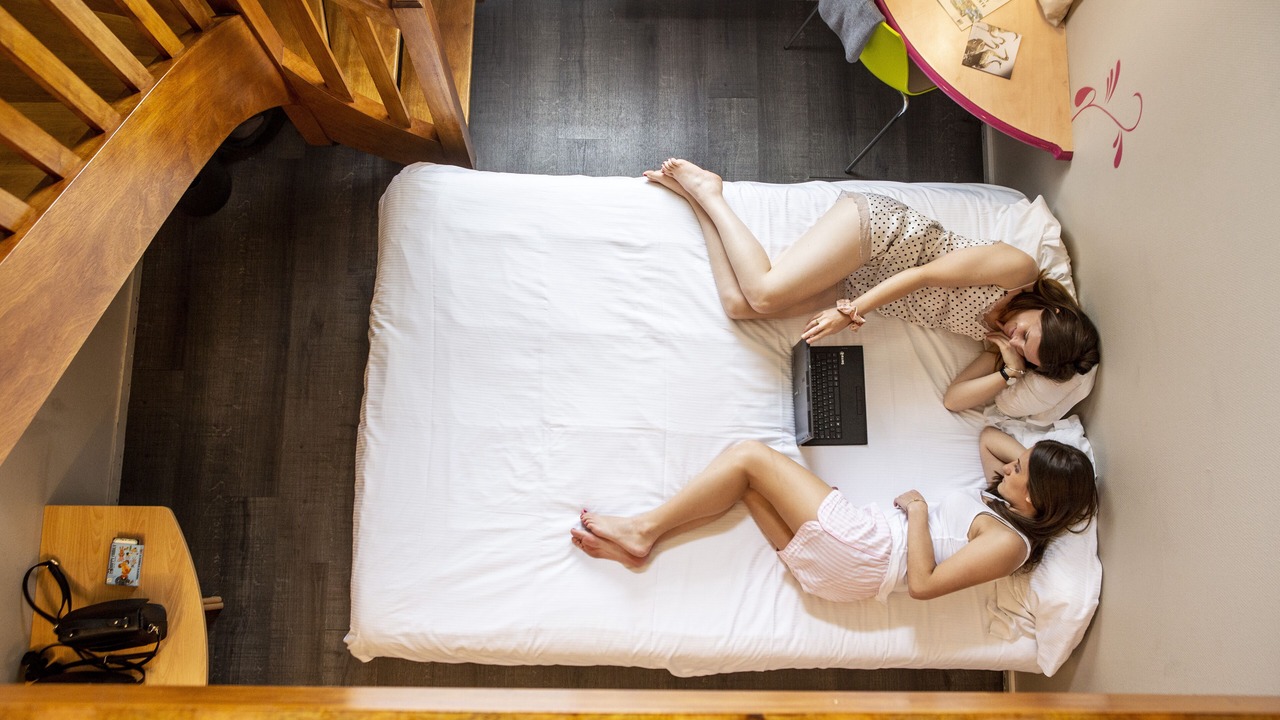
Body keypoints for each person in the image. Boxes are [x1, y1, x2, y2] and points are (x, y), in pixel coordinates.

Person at [642, 159, 1099, 422]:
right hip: (883, 236)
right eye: (1026, 332)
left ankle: (700, 202)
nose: (1014, 337)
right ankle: (713, 193)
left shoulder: (999, 347)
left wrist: (1009, 370)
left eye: (1024, 348)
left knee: (742, 307)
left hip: (863, 282)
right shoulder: (1016, 270)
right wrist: (850, 311)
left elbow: (953, 400)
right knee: (763, 294)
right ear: (1050, 310)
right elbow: (925, 276)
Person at [572, 428, 1097, 602]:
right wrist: (1031, 468)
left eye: (1020, 468)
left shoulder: (1011, 544)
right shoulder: (1007, 507)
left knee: (750, 455)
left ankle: (642, 529)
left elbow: (924, 585)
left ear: (1037, 500)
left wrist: (916, 510)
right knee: (743, 486)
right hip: (841, 577)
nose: (1010, 464)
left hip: (870, 550)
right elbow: (989, 440)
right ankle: (645, 543)